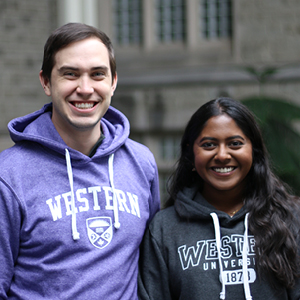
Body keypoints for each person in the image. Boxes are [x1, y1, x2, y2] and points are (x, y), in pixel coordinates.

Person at [0, 23, 160, 299]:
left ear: (113, 82)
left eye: (97, 74)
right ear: (46, 82)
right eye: (70, 74)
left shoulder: (141, 162)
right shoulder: (9, 175)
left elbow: (153, 268)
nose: (85, 89)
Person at [138, 97, 300, 300]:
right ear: (191, 153)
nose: (222, 155)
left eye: (235, 143)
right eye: (209, 145)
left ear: (254, 151)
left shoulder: (291, 218)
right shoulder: (164, 229)